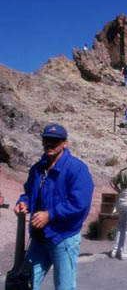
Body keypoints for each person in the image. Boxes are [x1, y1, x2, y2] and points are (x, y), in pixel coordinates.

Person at [14, 124, 94, 289]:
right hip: (39, 237)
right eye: (46, 140)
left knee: (64, 286)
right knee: (24, 283)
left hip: (63, 238)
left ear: (65, 143)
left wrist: (50, 215)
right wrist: (24, 202)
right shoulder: (38, 168)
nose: (49, 144)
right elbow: (29, 192)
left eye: (55, 141)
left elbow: (80, 203)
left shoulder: (76, 169)